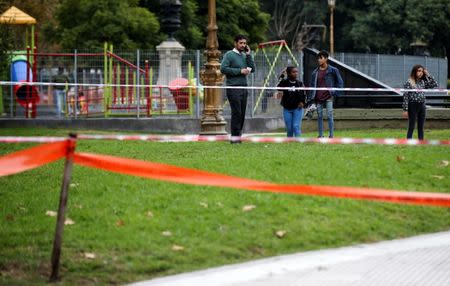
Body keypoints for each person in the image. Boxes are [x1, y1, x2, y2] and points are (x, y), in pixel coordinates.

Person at [220, 35, 256, 144]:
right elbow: (223, 68)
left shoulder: (245, 56)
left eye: (245, 43)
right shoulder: (229, 55)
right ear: (235, 43)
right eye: (241, 43)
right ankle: (234, 139)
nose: (243, 45)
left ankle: (238, 137)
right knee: (237, 112)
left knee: (242, 113)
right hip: (233, 88)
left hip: (243, 88)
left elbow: (253, 69)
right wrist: (239, 71)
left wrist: (249, 55)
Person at [308, 50, 343, 138]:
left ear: (326, 59)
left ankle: (331, 136)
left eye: (321, 58)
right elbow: (312, 86)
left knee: (330, 116)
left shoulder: (333, 70)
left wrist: (335, 93)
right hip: (318, 98)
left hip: (329, 97)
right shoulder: (314, 72)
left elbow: (340, 83)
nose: (319, 60)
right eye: (318, 58)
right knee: (319, 116)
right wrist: (311, 99)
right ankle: (321, 135)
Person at [402, 65, 438, 140]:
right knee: (411, 126)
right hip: (413, 105)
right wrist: (405, 109)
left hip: (422, 105)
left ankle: (421, 142)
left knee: (421, 126)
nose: (420, 73)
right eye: (419, 71)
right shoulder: (409, 82)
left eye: (421, 71)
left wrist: (428, 75)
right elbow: (405, 96)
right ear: (414, 72)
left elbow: (435, 84)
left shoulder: (423, 81)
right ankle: (409, 141)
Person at [277, 66, 306, 137]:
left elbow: (304, 94)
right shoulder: (284, 82)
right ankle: (290, 142)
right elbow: (278, 86)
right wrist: (282, 75)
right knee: (289, 128)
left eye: (296, 72)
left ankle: (298, 142)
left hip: (297, 108)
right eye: (294, 72)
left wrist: (302, 102)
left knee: (296, 126)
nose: (296, 73)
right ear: (289, 73)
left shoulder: (299, 83)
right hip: (287, 108)